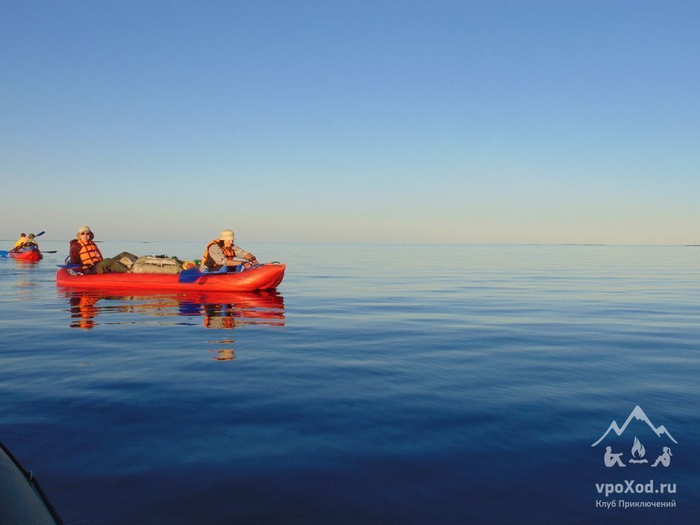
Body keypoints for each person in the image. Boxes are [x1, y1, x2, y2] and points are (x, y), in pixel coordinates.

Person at [69, 226, 133, 274]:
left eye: (87, 233)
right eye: (83, 233)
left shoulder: (92, 243)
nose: (85, 235)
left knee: (123, 254)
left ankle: (139, 263)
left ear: (90, 235)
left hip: (98, 265)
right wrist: (82, 268)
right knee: (108, 261)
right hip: (90, 269)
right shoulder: (75, 246)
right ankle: (129, 271)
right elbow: (74, 264)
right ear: (79, 235)